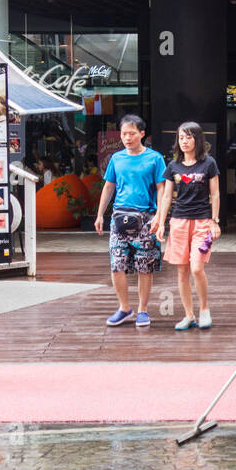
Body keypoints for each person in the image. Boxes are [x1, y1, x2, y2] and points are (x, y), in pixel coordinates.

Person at [94, 114, 166, 328]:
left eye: (132, 133)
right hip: (119, 218)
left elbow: (162, 189)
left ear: (142, 134)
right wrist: (100, 214)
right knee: (117, 264)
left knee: (145, 266)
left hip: (146, 218)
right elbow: (109, 187)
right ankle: (124, 307)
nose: (127, 137)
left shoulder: (155, 158)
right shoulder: (116, 159)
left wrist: (160, 218)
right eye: (124, 133)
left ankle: (143, 310)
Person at [154, 122, 221, 331]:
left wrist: (214, 221)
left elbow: (215, 194)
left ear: (197, 139)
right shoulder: (173, 166)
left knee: (196, 267)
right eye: (181, 137)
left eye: (188, 137)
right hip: (179, 221)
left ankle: (204, 309)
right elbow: (166, 196)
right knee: (182, 272)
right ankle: (189, 315)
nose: (184, 141)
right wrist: (161, 223)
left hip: (202, 221)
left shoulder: (208, 163)